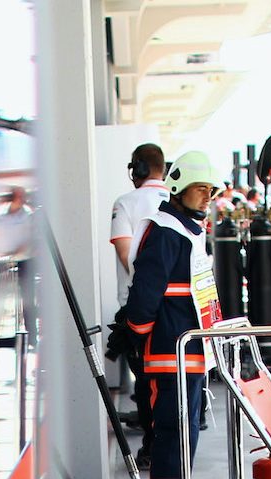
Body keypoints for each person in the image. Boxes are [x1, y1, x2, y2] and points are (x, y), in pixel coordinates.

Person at [118, 150, 222, 479]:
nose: (207, 196)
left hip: (189, 349)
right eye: (201, 189)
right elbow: (144, 296)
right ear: (179, 188)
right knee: (171, 437)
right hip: (170, 353)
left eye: (210, 190)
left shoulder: (186, 228)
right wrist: (138, 332)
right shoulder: (165, 230)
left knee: (186, 436)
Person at [108, 142, 169, 459]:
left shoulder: (126, 202)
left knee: (145, 377)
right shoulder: (176, 201)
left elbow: (125, 254)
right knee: (169, 379)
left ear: (139, 169)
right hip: (173, 307)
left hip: (138, 304)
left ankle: (151, 445)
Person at [0, 186, 37, 337]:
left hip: (24, 261)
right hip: (2, 260)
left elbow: (30, 240)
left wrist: (15, 253)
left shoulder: (28, 216)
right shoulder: (0, 215)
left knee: (27, 300)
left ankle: (31, 335)